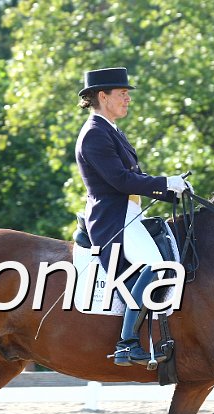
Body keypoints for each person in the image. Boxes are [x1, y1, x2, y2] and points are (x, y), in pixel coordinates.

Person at [75, 67, 189, 366]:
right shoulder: (94, 134)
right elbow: (121, 181)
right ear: (103, 96)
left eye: (127, 94)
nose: (127, 99)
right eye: (122, 94)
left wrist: (171, 190)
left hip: (129, 213)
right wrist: (165, 182)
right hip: (113, 219)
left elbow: (134, 177)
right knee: (158, 264)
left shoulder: (111, 130)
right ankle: (127, 343)